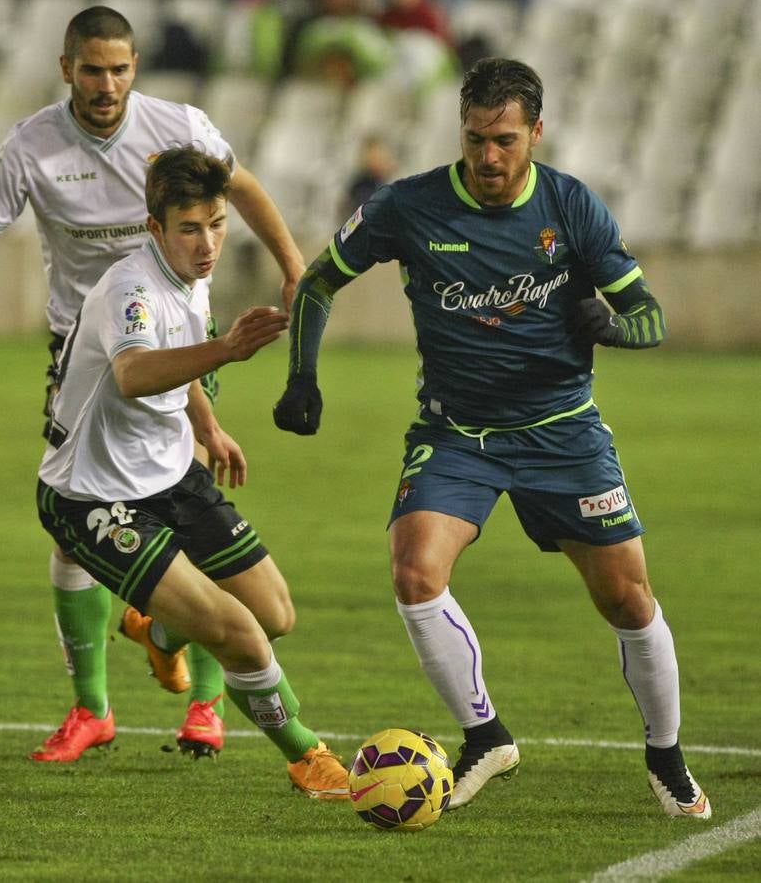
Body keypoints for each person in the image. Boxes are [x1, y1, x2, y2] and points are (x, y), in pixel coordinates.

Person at [273, 57, 710, 819]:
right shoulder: (408, 206)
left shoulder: (573, 207)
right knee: (414, 572)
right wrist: (302, 379)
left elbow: (651, 315)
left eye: (505, 140)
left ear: (536, 132)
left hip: (562, 432)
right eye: (475, 140)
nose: (489, 158)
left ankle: (667, 757)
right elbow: (317, 282)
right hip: (456, 431)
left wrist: (611, 325)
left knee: (628, 599)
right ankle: (486, 738)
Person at [0, 7, 307, 762]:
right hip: (81, 356)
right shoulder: (31, 147)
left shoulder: (176, 129)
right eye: (92, 69)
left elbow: (245, 187)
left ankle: (201, 699)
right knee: (76, 525)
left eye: (120, 69)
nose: (107, 85)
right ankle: (91, 707)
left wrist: (292, 265)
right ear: (67, 68)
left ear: (135, 69)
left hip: (174, 343)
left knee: (187, 492)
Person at [37, 145, 348, 799]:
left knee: (274, 613)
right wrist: (228, 350)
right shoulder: (130, 289)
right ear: (156, 229)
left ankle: (158, 627)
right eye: (189, 228)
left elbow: (178, 360)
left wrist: (206, 426)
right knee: (236, 631)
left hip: (170, 473)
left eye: (217, 223)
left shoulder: (192, 275)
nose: (207, 243)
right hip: (93, 498)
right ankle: (307, 756)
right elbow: (134, 371)